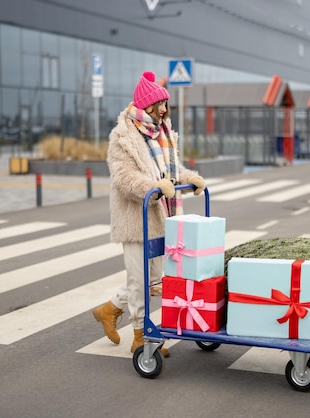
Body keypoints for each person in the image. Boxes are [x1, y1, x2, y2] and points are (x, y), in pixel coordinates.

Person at [92, 71, 205, 357]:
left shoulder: (164, 134)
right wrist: (153, 187)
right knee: (139, 280)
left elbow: (172, 173)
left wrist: (193, 179)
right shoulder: (123, 137)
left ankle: (109, 310)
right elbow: (124, 177)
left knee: (153, 280)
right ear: (146, 106)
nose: (165, 110)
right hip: (134, 219)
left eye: (166, 105)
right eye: (160, 105)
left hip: (163, 217)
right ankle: (141, 337)